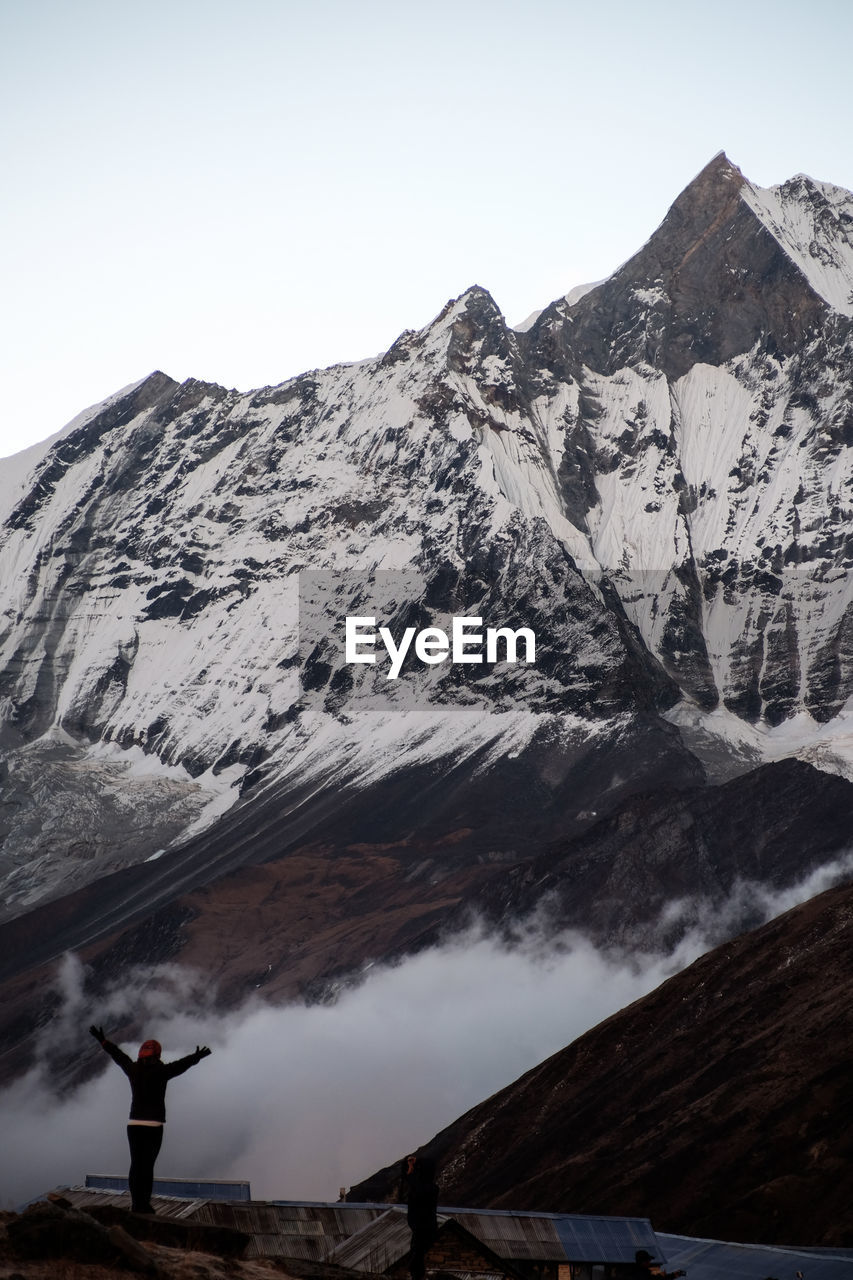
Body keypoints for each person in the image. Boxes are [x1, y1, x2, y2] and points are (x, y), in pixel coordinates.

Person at [89, 1024, 211, 1214]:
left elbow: (118, 1056)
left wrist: (103, 1041)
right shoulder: (162, 1072)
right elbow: (181, 1065)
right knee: (147, 1166)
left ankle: (136, 1203)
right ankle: (143, 1205)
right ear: (158, 1054)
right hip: (154, 1126)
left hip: (134, 1125)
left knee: (136, 1164)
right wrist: (197, 1057)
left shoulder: (133, 1069)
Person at [404, 1154, 439, 1280]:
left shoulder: (430, 1189)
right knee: (416, 1258)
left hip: (424, 1229)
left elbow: (416, 1185)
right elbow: (413, 1182)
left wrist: (413, 1167)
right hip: (421, 1229)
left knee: (416, 1260)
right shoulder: (429, 1187)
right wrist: (413, 1165)